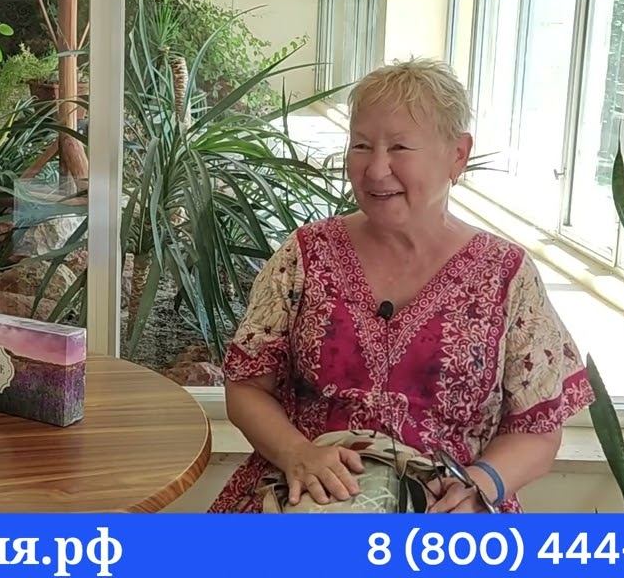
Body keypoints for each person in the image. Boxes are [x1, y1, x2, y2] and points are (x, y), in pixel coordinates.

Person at [210, 58, 593, 513]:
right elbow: (247, 387)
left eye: (400, 148)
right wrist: (297, 452)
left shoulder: (506, 274)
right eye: (361, 145)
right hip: (303, 498)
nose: (375, 169)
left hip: (447, 510)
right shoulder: (305, 254)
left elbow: (539, 430)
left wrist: (481, 485)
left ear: (458, 154)